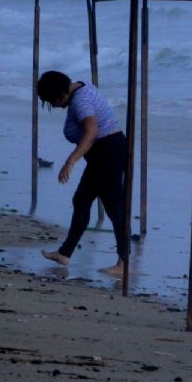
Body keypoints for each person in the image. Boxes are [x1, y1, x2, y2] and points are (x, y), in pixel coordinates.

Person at [37, 70, 128, 276]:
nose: (54, 106)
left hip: (108, 152)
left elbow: (92, 132)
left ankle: (124, 263)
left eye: (51, 101)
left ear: (59, 94)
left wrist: (71, 161)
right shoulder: (80, 87)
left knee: (114, 207)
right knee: (81, 200)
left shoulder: (80, 101)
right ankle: (64, 253)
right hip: (103, 152)